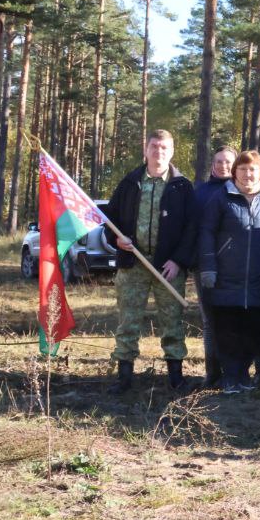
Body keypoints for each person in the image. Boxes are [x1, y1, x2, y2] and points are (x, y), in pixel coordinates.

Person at [103, 129, 199, 394]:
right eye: (154, 146)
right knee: (128, 320)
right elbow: (109, 219)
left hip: (168, 268)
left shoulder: (182, 186)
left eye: (164, 147)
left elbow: (192, 228)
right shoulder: (130, 182)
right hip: (133, 264)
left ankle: (176, 377)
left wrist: (178, 261)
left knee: (172, 321)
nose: (159, 152)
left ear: (172, 151)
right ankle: (124, 378)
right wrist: (117, 240)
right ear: (145, 150)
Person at [198, 150, 260, 394]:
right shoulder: (220, 199)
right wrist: (208, 267)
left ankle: (245, 376)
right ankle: (231, 377)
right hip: (226, 278)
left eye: (253, 170)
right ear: (234, 172)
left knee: (255, 331)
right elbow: (206, 232)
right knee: (227, 331)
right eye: (242, 169)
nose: (247, 174)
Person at [193, 146, 237, 388]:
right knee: (210, 320)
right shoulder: (200, 193)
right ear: (212, 165)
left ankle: (234, 371)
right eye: (219, 161)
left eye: (228, 162)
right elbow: (194, 229)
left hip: (236, 267)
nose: (223, 166)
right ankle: (213, 372)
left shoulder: (243, 190)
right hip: (205, 266)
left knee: (231, 319)